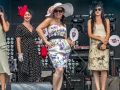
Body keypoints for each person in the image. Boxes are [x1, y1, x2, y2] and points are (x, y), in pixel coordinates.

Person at [36, 3, 74, 90]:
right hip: (54, 47)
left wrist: (71, 42)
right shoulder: (50, 20)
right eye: (56, 10)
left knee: (61, 71)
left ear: (63, 12)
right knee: (59, 69)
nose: (58, 12)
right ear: (53, 12)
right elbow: (38, 28)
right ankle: (54, 88)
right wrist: (45, 41)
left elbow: (65, 38)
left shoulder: (63, 24)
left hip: (64, 47)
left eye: (60, 11)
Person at [15, 5, 43, 82]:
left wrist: (39, 42)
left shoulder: (34, 26)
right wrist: (20, 53)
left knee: (36, 69)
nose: (27, 16)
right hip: (24, 50)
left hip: (33, 51)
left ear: (31, 16)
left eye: (28, 14)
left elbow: (31, 40)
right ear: (23, 16)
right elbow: (18, 41)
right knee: (24, 70)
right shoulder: (19, 26)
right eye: (25, 15)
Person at [87, 1, 110, 90]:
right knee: (95, 68)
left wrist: (104, 43)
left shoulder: (106, 20)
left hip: (104, 44)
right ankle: (97, 88)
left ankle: (103, 88)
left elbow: (108, 32)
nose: (97, 11)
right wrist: (100, 39)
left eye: (99, 9)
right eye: (95, 9)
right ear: (93, 11)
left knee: (104, 68)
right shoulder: (90, 21)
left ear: (101, 10)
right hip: (94, 45)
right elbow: (90, 34)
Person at [0, 6, 11, 90]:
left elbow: (6, 29)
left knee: (2, 69)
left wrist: (2, 17)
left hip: (1, 47)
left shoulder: (5, 22)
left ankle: (3, 88)